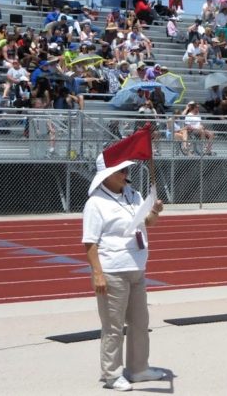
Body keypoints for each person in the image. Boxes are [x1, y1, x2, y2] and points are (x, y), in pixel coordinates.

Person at [82, 153, 166, 392]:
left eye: (126, 170)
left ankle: (138, 368)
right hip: (112, 270)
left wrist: (155, 211)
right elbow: (90, 243)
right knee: (113, 326)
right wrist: (97, 273)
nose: (125, 174)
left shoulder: (133, 194)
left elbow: (146, 223)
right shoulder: (95, 203)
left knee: (140, 322)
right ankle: (111, 374)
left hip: (137, 268)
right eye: (120, 171)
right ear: (106, 175)